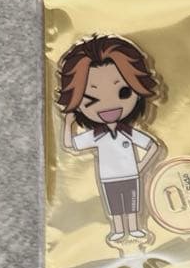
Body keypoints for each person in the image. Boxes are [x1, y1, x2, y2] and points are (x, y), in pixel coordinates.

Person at [56, 35, 160, 244]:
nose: (109, 105)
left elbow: (153, 146)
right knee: (115, 207)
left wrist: (141, 166)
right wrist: (68, 124)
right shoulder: (97, 136)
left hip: (130, 175)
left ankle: (134, 228)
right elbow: (70, 145)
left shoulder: (128, 132)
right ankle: (119, 230)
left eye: (123, 92)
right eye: (91, 99)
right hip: (108, 178)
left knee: (132, 205)